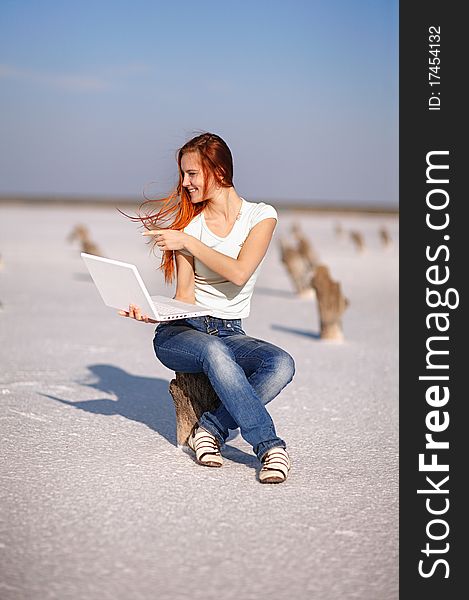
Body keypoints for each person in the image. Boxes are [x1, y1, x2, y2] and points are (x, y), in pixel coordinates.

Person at [119, 132, 295, 484]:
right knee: (213, 351)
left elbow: (240, 272)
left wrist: (188, 242)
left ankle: (210, 429)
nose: (184, 183)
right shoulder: (191, 227)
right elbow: (184, 297)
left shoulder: (260, 217)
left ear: (218, 171)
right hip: (182, 333)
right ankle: (269, 446)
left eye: (192, 174)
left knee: (280, 364)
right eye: (183, 175)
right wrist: (154, 313)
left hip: (230, 329)